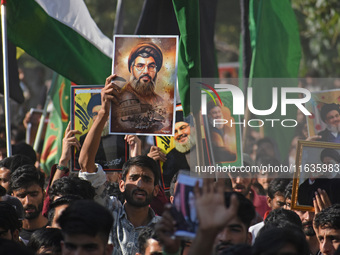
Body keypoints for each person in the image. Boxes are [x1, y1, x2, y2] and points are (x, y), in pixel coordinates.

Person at [10, 165, 48, 245]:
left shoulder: (55, 231)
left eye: (34, 194)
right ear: (13, 197)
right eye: (21, 196)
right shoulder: (8, 234)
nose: (28, 202)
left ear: (44, 195)